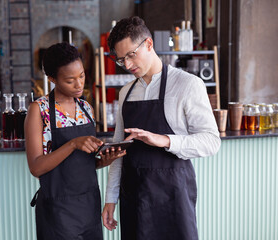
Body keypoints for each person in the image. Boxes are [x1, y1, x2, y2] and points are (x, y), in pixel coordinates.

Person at [101, 16, 221, 239]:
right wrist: (110, 198)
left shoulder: (187, 84)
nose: (127, 65)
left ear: (148, 44)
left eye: (130, 55)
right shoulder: (126, 92)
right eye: (120, 60)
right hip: (134, 198)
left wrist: (165, 140)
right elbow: (120, 151)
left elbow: (211, 142)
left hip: (173, 198)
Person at [25, 42, 125, 240]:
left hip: (89, 205)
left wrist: (102, 161)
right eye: (70, 80)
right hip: (58, 211)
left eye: (81, 76)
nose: (79, 84)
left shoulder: (86, 108)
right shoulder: (39, 110)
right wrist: (72, 144)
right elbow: (36, 167)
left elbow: (79, 164)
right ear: (52, 79)